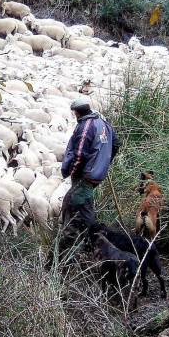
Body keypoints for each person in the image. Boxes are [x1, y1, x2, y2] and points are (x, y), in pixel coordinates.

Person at [59, 95, 120, 244]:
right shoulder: (104, 123)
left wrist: (72, 172)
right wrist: (104, 162)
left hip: (85, 175)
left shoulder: (86, 126)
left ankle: (73, 245)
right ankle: (90, 239)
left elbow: (79, 154)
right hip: (96, 174)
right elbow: (116, 144)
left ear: (76, 112)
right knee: (78, 203)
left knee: (75, 206)